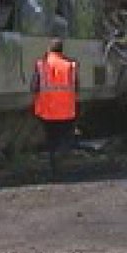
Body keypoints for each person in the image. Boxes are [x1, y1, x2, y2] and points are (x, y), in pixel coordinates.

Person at [31, 38, 78, 179]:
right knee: (64, 140)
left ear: (49, 50)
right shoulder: (70, 66)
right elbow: (76, 87)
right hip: (67, 112)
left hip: (47, 112)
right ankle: (63, 165)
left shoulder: (41, 65)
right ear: (62, 50)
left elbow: (34, 87)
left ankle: (54, 171)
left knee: (51, 141)